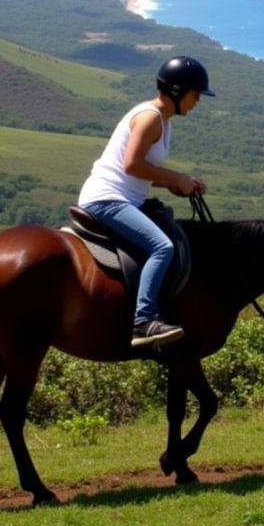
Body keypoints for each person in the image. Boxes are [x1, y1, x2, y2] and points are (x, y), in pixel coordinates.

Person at [78, 56, 213, 349]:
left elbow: (141, 174)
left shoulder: (164, 122)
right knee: (162, 246)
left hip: (123, 197)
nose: (198, 101)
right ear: (177, 92)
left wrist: (175, 185)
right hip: (108, 199)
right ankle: (143, 322)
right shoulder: (150, 118)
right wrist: (177, 175)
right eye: (196, 94)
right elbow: (131, 165)